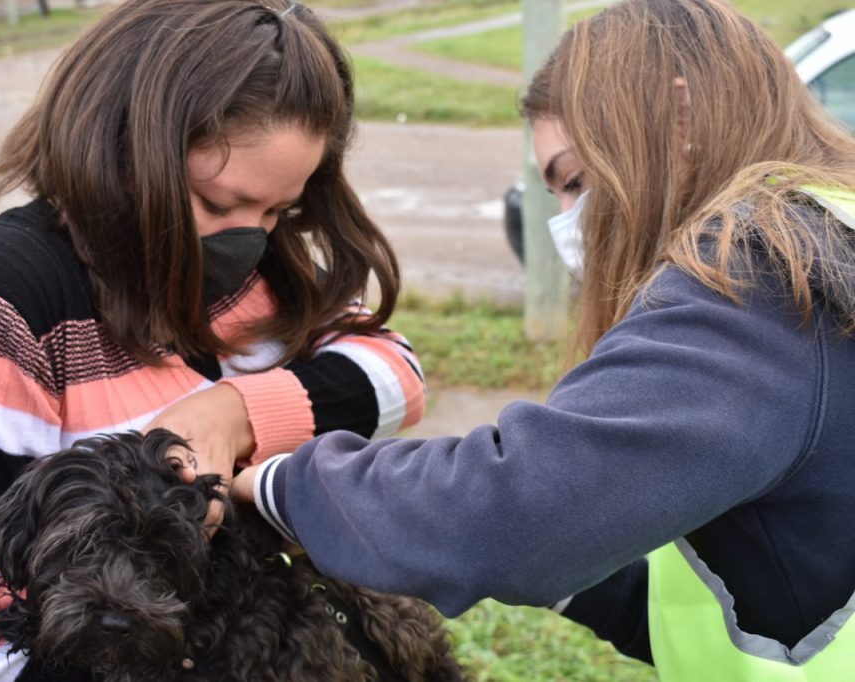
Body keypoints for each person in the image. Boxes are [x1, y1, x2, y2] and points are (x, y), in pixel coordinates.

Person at [231, 0, 855, 678]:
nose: (568, 222)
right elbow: (738, 592)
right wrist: (577, 562)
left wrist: (284, 485)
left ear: (681, 120)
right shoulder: (829, 234)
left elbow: (519, 508)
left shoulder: (765, 281)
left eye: (576, 181)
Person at [0, 1, 426, 679]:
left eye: (277, 210)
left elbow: (395, 373)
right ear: (121, 148)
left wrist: (235, 413)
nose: (251, 237)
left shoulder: (257, 274)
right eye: (219, 204)